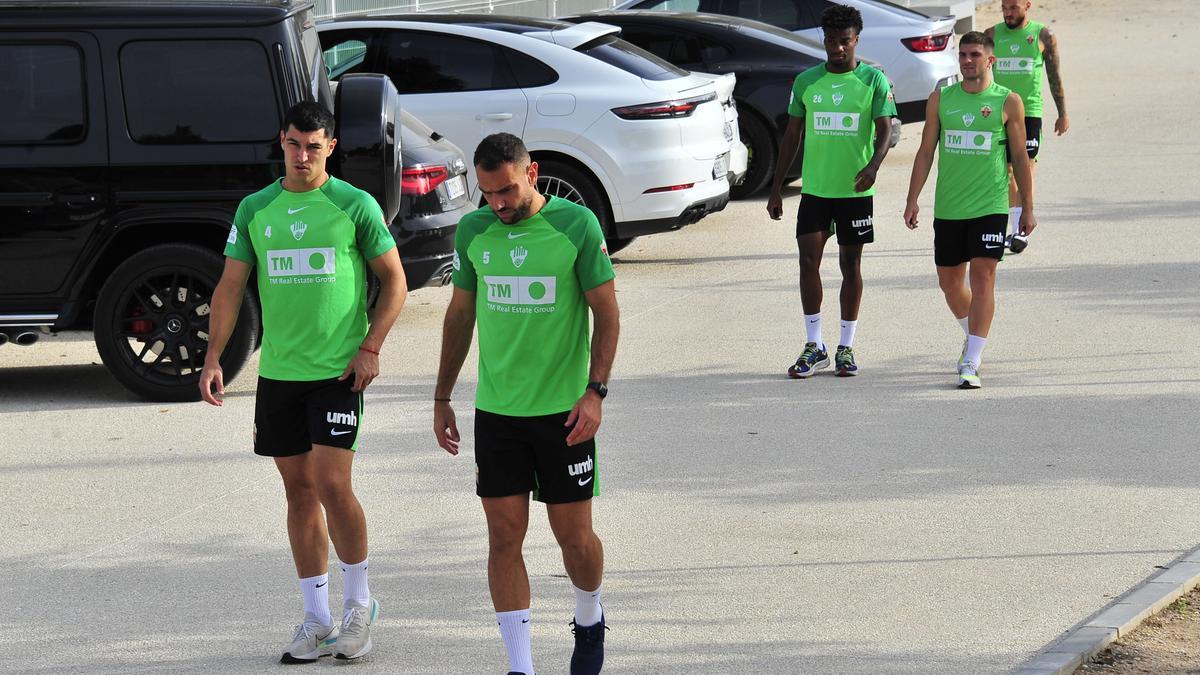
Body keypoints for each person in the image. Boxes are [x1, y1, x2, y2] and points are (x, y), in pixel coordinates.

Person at [199, 101, 407, 662]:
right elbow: (229, 286)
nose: (302, 155)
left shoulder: (353, 204)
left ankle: (359, 606)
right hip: (280, 375)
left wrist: (371, 348)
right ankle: (315, 618)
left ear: (330, 148)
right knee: (298, 492)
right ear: (281, 141)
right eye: (294, 144)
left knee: (334, 485)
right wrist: (213, 356)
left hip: (338, 371)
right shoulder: (256, 208)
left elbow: (395, 284)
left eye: (314, 146)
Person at [433, 133, 619, 675]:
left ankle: (589, 616)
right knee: (503, 536)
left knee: (574, 538)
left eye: (507, 190)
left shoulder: (575, 226)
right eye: (488, 193)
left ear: (532, 173)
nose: (498, 204)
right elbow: (459, 318)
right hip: (498, 414)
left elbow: (607, 314)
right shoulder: (474, 231)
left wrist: (596, 391)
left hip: (564, 413)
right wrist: (442, 396)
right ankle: (521, 666)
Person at [766, 3, 897, 378]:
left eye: (844, 41)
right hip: (816, 193)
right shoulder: (807, 81)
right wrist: (776, 187)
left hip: (854, 192)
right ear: (823, 41)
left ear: (856, 40)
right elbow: (792, 135)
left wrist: (873, 166)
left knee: (850, 266)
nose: (837, 48)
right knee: (808, 262)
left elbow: (886, 129)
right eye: (831, 41)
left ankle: (845, 347)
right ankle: (814, 345)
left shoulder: (873, 80)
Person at [903, 31, 1036, 389]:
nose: (967, 61)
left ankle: (973, 360)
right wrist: (912, 198)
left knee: (983, 276)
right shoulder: (941, 99)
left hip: (990, 205)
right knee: (949, 283)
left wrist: (1026, 207)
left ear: (989, 60)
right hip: (949, 206)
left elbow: (1020, 158)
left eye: (974, 54)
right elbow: (926, 152)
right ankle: (971, 333)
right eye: (962, 55)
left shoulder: (1008, 102)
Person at [986, 0, 1068, 252]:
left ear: (1027, 5)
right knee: (1008, 171)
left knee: (1026, 168)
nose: (1008, 13)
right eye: (1004, 8)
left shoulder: (1043, 35)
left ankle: (1022, 232)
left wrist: (1062, 113)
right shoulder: (991, 34)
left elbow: (1054, 75)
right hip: (1001, 111)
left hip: (1029, 113)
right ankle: (1014, 227)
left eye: (1013, 7)